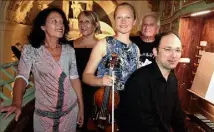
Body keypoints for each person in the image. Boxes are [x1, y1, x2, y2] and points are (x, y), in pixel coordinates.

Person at [0, 7, 84, 132]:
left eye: (61, 22)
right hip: (44, 116)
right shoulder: (31, 51)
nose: (60, 25)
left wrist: (81, 107)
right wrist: (17, 102)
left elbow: (75, 79)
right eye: (54, 21)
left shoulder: (69, 51)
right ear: (43, 27)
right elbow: (22, 77)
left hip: (70, 112)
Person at [82, 2, 139, 130]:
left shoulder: (136, 49)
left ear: (134, 21)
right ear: (114, 20)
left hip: (128, 108)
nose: (123, 21)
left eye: (128, 17)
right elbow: (86, 76)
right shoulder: (103, 44)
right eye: (119, 17)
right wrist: (101, 81)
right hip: (105, 106)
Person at [119, 32, 188, 132]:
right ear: (155, 51)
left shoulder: (172, 79)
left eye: (178, 50)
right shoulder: (139, 80)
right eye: (168, 49)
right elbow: (142, 124)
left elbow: (177, 116)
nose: (174, 55)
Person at [69, 10, 101, 132]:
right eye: (80, 21)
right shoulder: (69, 45)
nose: (83, 25)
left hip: (96, 94)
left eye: (87, 21)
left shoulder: (102, 45)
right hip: (74, 92)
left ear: (95, 24)